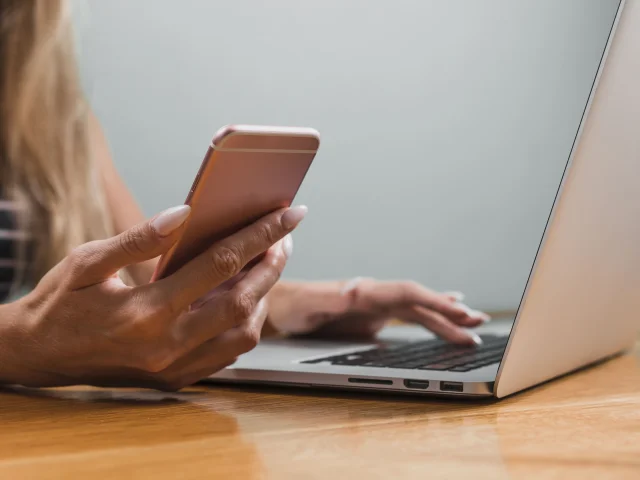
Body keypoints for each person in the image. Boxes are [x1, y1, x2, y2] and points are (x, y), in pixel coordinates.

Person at [0, 0, 489, 391]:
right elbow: (44, 334)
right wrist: (23, 344)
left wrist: (307, 305)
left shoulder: (55, 113)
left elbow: (145, 284)